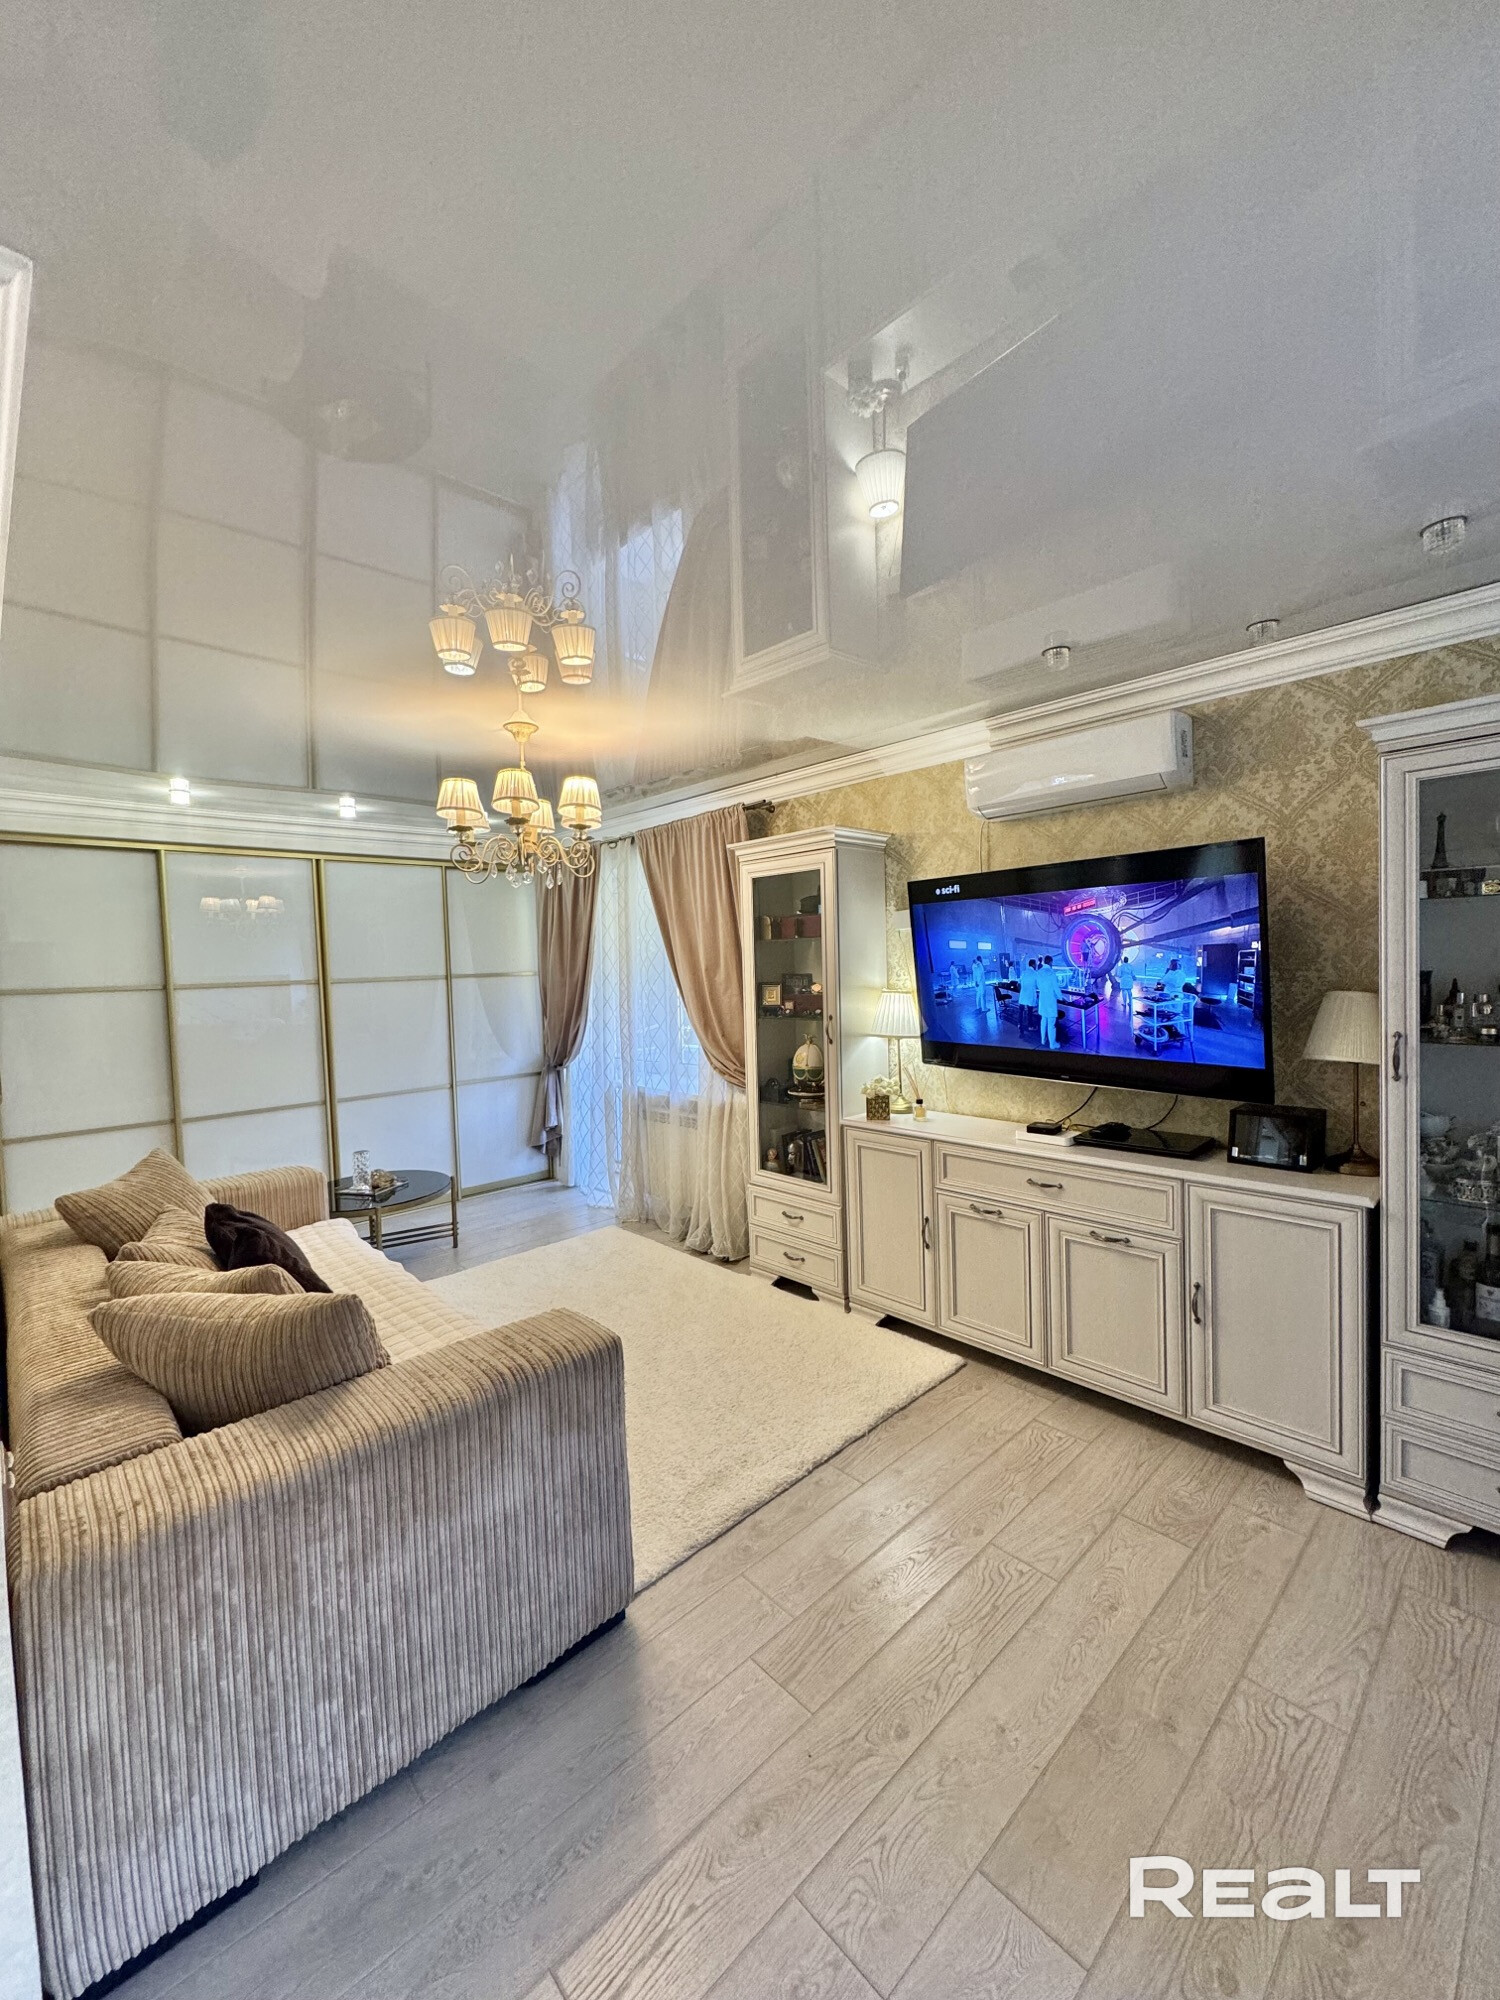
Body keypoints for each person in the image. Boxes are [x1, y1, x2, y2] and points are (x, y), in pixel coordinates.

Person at [1035, 954, 1061, 1049]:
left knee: (1043, 1020)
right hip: (1050, 1000)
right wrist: (1061, 997)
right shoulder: (1051, 973)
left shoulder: (1039, 972)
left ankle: (1043, 1040)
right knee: (1051, 1024)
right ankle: (1052, 1044)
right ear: (1050, 962)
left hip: (1043, 999)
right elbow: (1056, 988)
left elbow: (1038, 985)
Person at [1019, 957, 1039, 1037]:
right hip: (1030, 995)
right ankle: (1030, 1026)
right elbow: (1038, 985)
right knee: (1030, 1011)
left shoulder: (1024, 972)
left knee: (1021, 1011)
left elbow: (1019, 982)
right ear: (1033, 965)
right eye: (1035, 964)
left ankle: (1020, 1025)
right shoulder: (1035, 973)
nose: (1036, 965)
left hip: (1023, 994)